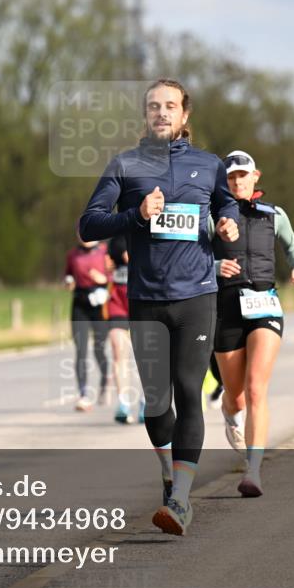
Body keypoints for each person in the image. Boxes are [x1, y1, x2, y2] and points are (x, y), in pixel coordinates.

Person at [80, 78, 239, 536]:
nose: (162, 113)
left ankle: (182, 500)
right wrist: (136, 216)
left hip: (196, 296)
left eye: (170, 106)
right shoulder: (126, 165)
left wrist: (227, 221)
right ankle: (170, 477)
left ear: (185, 115)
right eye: (154, 106)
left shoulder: (208, 165)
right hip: (147, 300)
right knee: (156, 402)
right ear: (145, 115)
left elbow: (226, 204)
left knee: (189, 390)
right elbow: (89, 223)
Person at [211, 150, 294, 498]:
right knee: (235, 397)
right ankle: (229, 413)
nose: (237, 181)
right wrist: (213, 268)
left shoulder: (274, 214)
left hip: (264, 302)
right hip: (226, 307)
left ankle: (253, 470)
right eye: (231, 176)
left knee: (256, 388)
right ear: (225, 181)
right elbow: (190, 258)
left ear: (256, 177)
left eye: (243, 175)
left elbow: (293, 247)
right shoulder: (213, 216)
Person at [64, 232, 111, 411]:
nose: (83, 236)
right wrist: (68, 282)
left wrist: (105, 279)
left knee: (99, 348)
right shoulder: (73, 254)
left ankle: (105, 381)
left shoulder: (105, 252)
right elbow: (67, 275)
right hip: (80, 303)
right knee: (80, 350)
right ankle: (83, 394)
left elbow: (118, 275)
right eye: (80, 232)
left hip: (100, 303)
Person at [103, 234, 139, 424]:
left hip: (142, 298)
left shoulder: (152, 225)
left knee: (145, 356)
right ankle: (123, 403)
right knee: (118, 351)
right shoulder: (115, 235)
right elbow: (106, 263)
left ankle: (145, 402)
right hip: (118, 299)